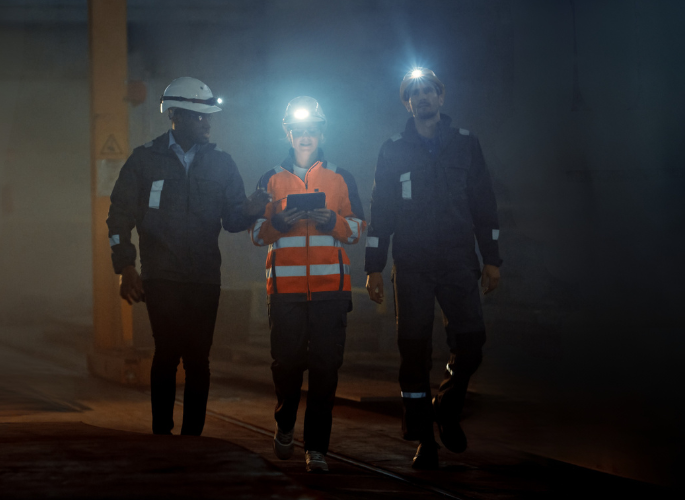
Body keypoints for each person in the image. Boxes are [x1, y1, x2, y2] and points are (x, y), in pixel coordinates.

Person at [107, 77, 271, 436]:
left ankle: (192, 439)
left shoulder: (222, 164)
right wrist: (125, 266)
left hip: (204, 278)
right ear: (176, 116)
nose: (207, 123)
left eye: (208, 116)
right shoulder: (144, 160)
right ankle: (162, 436)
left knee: (198, 358)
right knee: (167, 353)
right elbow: (119, 216)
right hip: (160, 276)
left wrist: (250, 211)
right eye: (199, 117)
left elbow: (232, 221)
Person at [365, 68, 502, 469]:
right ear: (407, 104)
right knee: (414, 352)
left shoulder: (466, 144)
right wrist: (374, 267)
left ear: (441, 97)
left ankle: (447, 406)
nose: (422, 97)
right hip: (412, 265)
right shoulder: (392, 149)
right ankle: (424, 438)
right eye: (414, 93)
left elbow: (484, 202)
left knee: (471, 344)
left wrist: (492, 258)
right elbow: (381, 212)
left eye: (428, 91)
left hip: (459, 261)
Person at [250, 96, 365, 473]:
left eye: (312, 130)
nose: (305, 136)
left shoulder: (341, 177)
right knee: (286, 365)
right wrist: (277, 224)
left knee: (325, 368)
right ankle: (285, 423)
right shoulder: (270, 179)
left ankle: (316, 449)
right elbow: (255, 233)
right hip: (285, 293)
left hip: (331, 291)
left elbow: (357, 229)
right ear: (288, 133)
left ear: (322, 134)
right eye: (298, 130)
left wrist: (332, 220)